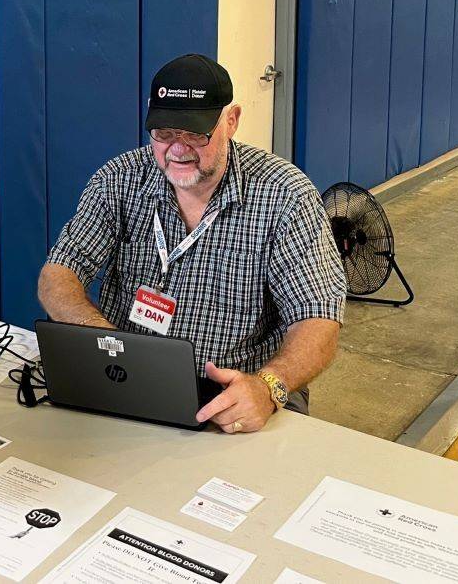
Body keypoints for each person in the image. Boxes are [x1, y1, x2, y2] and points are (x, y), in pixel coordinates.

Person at [38, 53, 346, 435]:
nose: (178, 149)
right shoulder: (119, 180)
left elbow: (318, 316)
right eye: (164, 133)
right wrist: (101, 337)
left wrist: (269, 386)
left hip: (234, 390)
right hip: (125, 378)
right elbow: (59, 271)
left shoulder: (285, 196)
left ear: (231, 121)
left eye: (196, 133)